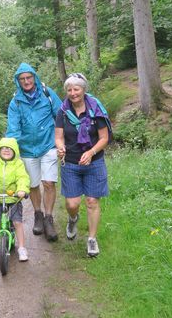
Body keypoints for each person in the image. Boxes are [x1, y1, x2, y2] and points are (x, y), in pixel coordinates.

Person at [54, 73, 111, 257]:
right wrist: (61, 148)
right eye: (69, 90)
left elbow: (104, 138)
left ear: (83, 89)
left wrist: (91, 152)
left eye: (76, 89)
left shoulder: (96, 109)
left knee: (92, 201)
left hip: (94, 163)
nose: (73, 93)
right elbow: (59, 137)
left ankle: (92, 240)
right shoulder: (62, 111)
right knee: (72, 203)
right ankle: (73, 218)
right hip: (70, 163)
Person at [6, 63, 63, 242]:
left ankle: (48, 218)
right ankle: (38, 215)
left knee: (48, 183)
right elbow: (13, 128)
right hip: (27, 149)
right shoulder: (15, 102)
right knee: (33, 185)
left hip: (48, 146)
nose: (26, 81)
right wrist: (8, 148)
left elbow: (60, 115)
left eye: (29, 77)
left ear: (34, 77)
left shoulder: (47, 94)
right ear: (18, 81)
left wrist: (63, 140)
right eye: (22, 79)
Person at [0, 137, 31, 262]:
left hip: (14, 199)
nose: (6, 150)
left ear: (15, 151)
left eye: (10, 148)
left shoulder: (18, 164)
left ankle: (21, 248)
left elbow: (22, 178)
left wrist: (21, 190)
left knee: (17, 222)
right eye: (3, 148)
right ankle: (1, 234)